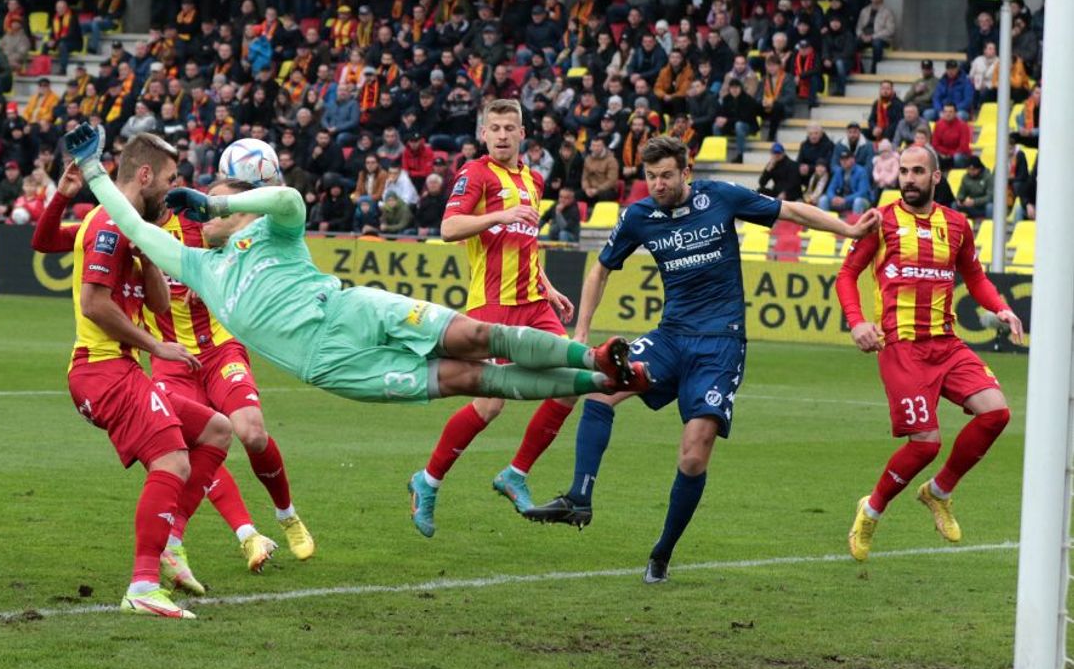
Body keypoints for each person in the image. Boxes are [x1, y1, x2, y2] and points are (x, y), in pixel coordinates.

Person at [64, 124, 648, 417]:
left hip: (352, 307)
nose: (197, 211)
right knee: (471, 378)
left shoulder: (274, 227)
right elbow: (133, 224)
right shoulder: (197, 266)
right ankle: (602, 381)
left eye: (217, 198)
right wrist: (93, 169)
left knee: (476, 336)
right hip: (332, 363)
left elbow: (289, 197)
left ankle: (592, 356)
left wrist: (214, 205)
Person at [522, 136, 880, 583]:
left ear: (686, 172)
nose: (658, 184)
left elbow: (789, 210)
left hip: (720, 344)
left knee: (693, 456)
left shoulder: (721, 197)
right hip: (671, 337)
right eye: (651, 176)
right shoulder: (639, 216)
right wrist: (581, 332)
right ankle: (580, 496)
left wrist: (848, 231)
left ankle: (661, 554)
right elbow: (600, 269)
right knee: (602, 387)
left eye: (666, 175)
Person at [32, 161, 318, 567]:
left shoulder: (199, 222)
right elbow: (46, 241)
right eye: (169, 181)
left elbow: (249, 235)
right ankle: (241, 535)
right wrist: (63, 196)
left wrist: (222, 270)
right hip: (169, 360)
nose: (172, 190)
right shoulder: (124, 227)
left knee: (251, 433)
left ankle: (287, 515)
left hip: (219, 347)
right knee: (195, 441)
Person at [61, 132, 237, 620]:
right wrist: (156, 346)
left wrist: (148, 252)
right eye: (169, 178)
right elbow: (93, 304)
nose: (173, 188)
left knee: (217, 430)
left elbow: (158, 304)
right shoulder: (107, 224)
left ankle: (170, 540)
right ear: (144, 175)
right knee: (173, 463)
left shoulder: (130, 227)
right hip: (102, 369)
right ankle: (142, 585)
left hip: (119, 369)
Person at [412, 101, 593, 537]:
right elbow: (449, 228)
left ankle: (516, 473)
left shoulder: (533, 179)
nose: (502, 135)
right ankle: (428, 481)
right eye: (494, 128)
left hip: (534, 303)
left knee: (574, 383)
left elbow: (524, 242)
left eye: (510, 127)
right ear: (484, 134)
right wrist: (499, 214)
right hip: (492, 306)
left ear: (522, 133)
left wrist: (548, 285)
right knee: (490, 403)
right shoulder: (475, 174)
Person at [838, 145, 1022, 561]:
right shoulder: (880, 221)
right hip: (901, 347)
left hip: (946, 343)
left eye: (918, 171)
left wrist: (1001, 308)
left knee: (996, 413)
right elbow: (847, 275)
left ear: (936, 177)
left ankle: (938, 491)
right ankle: (871, 510)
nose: (909, 178)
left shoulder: (956, 225)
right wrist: (857, 321)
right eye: (904, 171)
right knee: (925, 444)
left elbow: (974, 276)